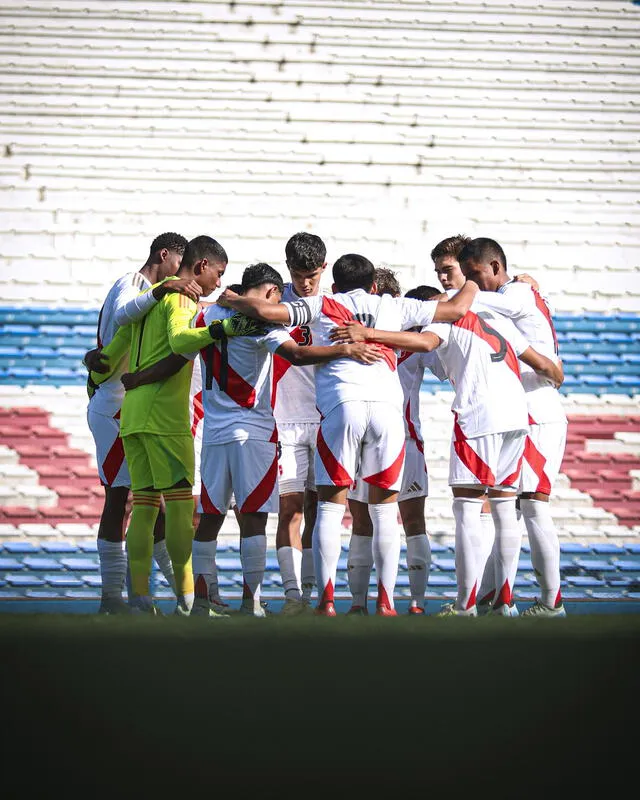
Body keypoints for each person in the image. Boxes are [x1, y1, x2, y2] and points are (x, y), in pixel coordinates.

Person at [218, 254, 479, 616]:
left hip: (342, 406)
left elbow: (267, 313)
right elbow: (455, 310)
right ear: (373, 286)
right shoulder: (393, 305)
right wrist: (473, 277)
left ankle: (326, 601)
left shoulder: (324, 303)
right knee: (385, 511)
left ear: (335, 285)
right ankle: (386, 602)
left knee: (328, 504)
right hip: (388, 410)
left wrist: (231, 298)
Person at [330, 287, 564, 616]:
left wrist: (369, 334)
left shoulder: (439, 319)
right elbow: (545, 365)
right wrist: (556, 373)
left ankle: (454, 605)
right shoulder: (497, 317)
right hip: (515, 416)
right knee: (503, 507)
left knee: (459, 510)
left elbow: (428, 344)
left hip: (457, 422)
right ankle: (503, 602)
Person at [191, 262, 383, 618]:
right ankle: (253, 602)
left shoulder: (205, 318)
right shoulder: (263, 322)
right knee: (254, 519)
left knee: (210, 518)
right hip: (254, 432)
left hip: (214, 432)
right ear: (269, 293)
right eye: (277, 295)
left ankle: (200, 601)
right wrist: (345, 350)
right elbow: (296, 354)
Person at [87, 235, 262, 615]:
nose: (218, 281)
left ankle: (139, 600)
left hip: (131, 417)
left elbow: (108, 355)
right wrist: (225, 329)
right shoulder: (179, 297)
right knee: (182, 510)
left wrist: (95, 368)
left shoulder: (144, 302)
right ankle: (187, 601)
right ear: (201, 267)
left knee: (146, 507)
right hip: (165, 417)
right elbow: (182, 339)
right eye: (218, 272)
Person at [84, 231, 199, 614]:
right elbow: (121, 317)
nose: (179, 275)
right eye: (176, 265)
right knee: (124, 498)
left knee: (152, 502)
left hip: (127, 405)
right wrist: (163, 292)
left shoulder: (154, 290)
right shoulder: (134, 284)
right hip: (117, 405)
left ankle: (182, 599)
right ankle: (114, 599)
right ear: (163, 255)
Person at [458, 237, 568, 617]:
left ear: (493, 266)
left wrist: (457, 295)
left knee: (532, 505)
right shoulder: (520, 290)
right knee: (506, 507)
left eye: (475, 275)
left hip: (536, 407)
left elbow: (500, 304)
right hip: (521, 408)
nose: (473, 283)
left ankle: (551, 601)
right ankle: (494, 595)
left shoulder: (517, 291)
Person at [345, 274, 445, 616]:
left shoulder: (354, 334)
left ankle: (360, 604)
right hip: (403, 437)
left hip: (366, 439)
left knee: (364, 522)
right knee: (412, 522)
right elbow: (445, 369)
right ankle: (413, 604)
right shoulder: (409, 338)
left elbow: (444, 367)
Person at [272, 233, 327, 615]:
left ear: (323, 268)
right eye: (298, 273)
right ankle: (292, 595)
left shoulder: (337, 304)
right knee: (290, 508)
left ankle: (313, 591)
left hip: (326, 420)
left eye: (312, 274)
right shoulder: (274, 302)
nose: (305, 282)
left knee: (322, 508)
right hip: (286, 420)